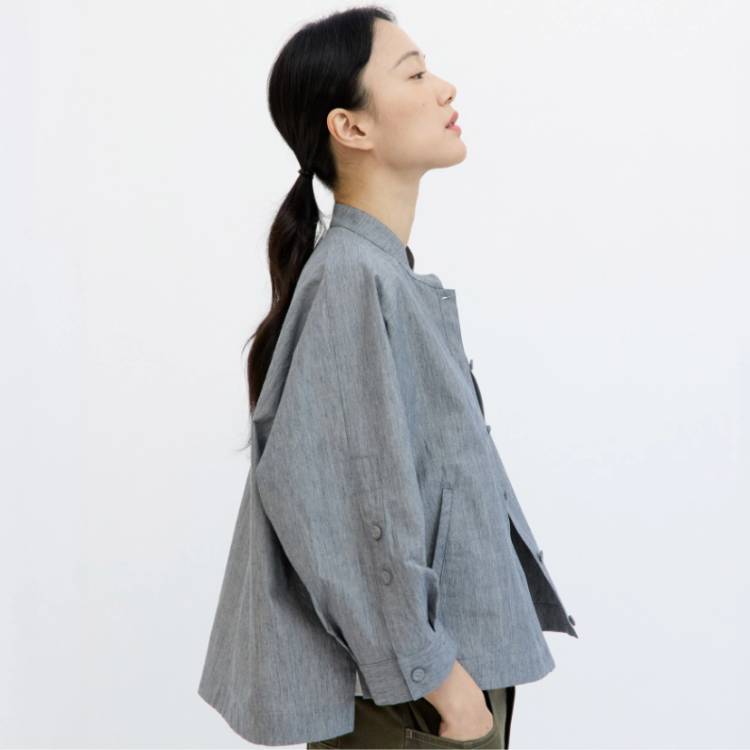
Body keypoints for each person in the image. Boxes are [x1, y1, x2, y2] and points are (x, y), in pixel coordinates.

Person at [197, 6, 578, 748]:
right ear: (352, 127)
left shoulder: (377, 274)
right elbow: (344, 509)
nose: (444, 88)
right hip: (415, 702)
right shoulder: (351, 280)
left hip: (428, 692)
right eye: (414, 73)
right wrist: (443, 685)